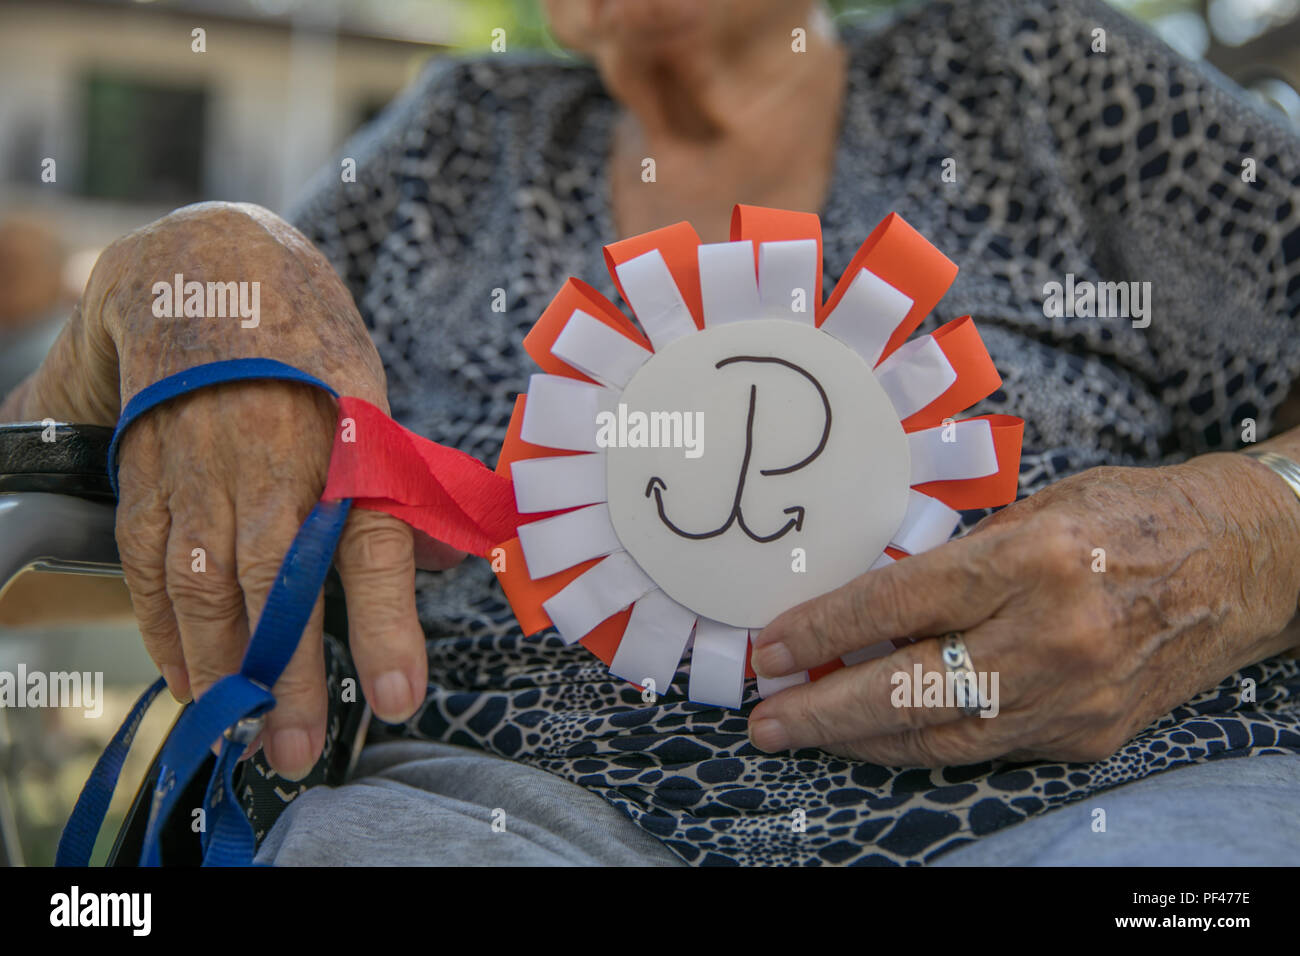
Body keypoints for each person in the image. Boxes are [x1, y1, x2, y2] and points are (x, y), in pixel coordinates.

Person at [4, 0, 1300, 866]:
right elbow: (64, 449)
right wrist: (177, 271)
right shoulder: (453, 151)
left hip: (1106, 792)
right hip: (494, 813)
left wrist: (1258, 533)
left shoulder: (1042, 78)